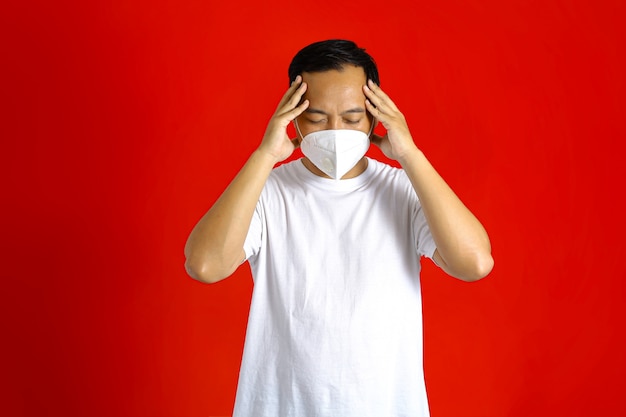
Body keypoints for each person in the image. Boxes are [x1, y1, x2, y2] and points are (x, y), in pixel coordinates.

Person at [184, 39, 493, 417]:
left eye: (350, 118)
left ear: (374, 118)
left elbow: (474, 263)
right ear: (292, 117)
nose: (334, 130)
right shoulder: (266, 192)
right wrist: (265, 155)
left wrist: (410, 154)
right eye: (316, 118)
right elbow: (205, 265)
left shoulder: (402, 190)